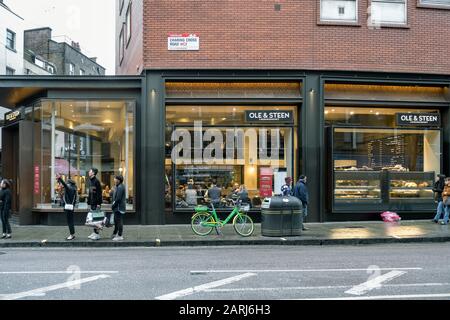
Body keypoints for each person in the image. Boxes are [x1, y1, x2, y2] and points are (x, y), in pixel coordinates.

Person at [56, 174, 78, 240]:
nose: (66, 185)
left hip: (69, 208)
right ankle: (72, 234)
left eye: (67, 183)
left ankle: (72, 235)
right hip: (70, 207)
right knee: (70, 221)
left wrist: (60, 178)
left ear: (69, 184)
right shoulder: (73, 188)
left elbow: (65, 185)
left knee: (70, 221)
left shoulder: (70, 189)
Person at [87, 168, 103, 240]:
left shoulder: (96, 181)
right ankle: (94, 233)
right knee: (93, 219)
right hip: (92, 203)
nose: (89, 172)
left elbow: (99, 193)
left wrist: (99, 203)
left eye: (90, 171)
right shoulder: (90, 181)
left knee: (96, 219)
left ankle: (97, 234)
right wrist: (88, 202)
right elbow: (90, 193)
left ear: (93, 173)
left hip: (96, 204)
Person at [111, 175, 126, 241]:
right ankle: (116, 233)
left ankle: (120, 235)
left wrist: (113, 205)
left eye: (115, 178)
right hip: (117, 207)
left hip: (119, 207)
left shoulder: (120, 187)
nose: (114, 179)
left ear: (118, 180)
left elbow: (118, 198)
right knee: (116, 221)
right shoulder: (117, 186)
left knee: (119, 221)